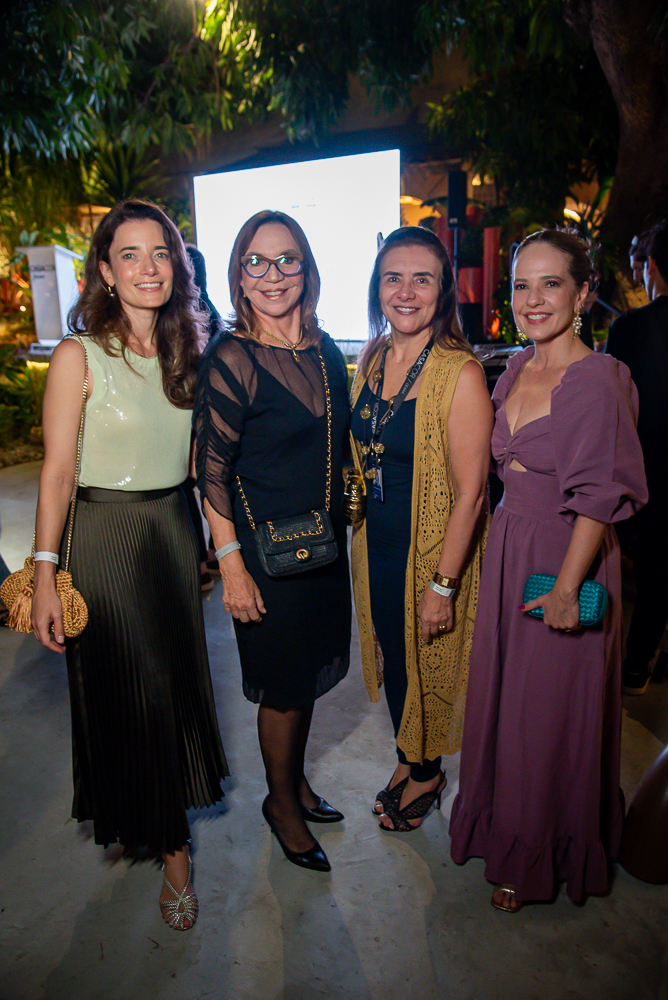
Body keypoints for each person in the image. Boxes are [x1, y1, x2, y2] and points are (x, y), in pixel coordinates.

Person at [31, 199, 228, 931]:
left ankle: (153, 815)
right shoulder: (77, 355)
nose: (148, 268)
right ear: (107, 273)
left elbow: (206, 462)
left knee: (171, 686)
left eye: (161, 253)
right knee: (137, 689)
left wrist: (219, 544)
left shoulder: (190, 352)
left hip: (171, 535)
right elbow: (54, 473)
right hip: (106, 538)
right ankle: (174, 852)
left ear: (177, 266)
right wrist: (45, 572)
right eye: (130, 255)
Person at [449, 228, 647, 911]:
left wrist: (567, 589)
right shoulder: (514, 370)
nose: (533, 299)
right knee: (510, 703)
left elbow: (600, 496)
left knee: (547, 713)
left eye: (551, 283)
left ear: (585, 292)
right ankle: (510, 828)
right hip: (513, 549)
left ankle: (537, 854)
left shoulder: (597, 379)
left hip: (567, 559)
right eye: (521, 285)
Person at [194, 210, 351, 873]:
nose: (272, 274)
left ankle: (294, 785)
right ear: (238, 275)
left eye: (287, 260)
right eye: (255, 262)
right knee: (283, 688)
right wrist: (231, 566)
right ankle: (280, 806)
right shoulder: (232, 357)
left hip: (321, 548)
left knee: (306, 680)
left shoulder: (324, 349)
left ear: (307, 269)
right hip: (264, 556)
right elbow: (211, 470)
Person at [349, 226, 492, 832]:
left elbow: (471, 494)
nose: (405, 292)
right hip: (375, 547)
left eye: (422, 278)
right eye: (392, 278)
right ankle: (409, 757)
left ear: (444, 290)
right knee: (395, 655)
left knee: (425, 662)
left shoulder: (460, 374)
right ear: (377, 287)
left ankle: (428, 771)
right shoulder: (373, 357)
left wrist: (443, 585)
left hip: (428, 552)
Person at [605, 220, 668, 694]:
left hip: (646, 472)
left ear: (650, 267)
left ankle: (633, 662)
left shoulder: (629, 328)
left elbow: (612, 412)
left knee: (649, 572)